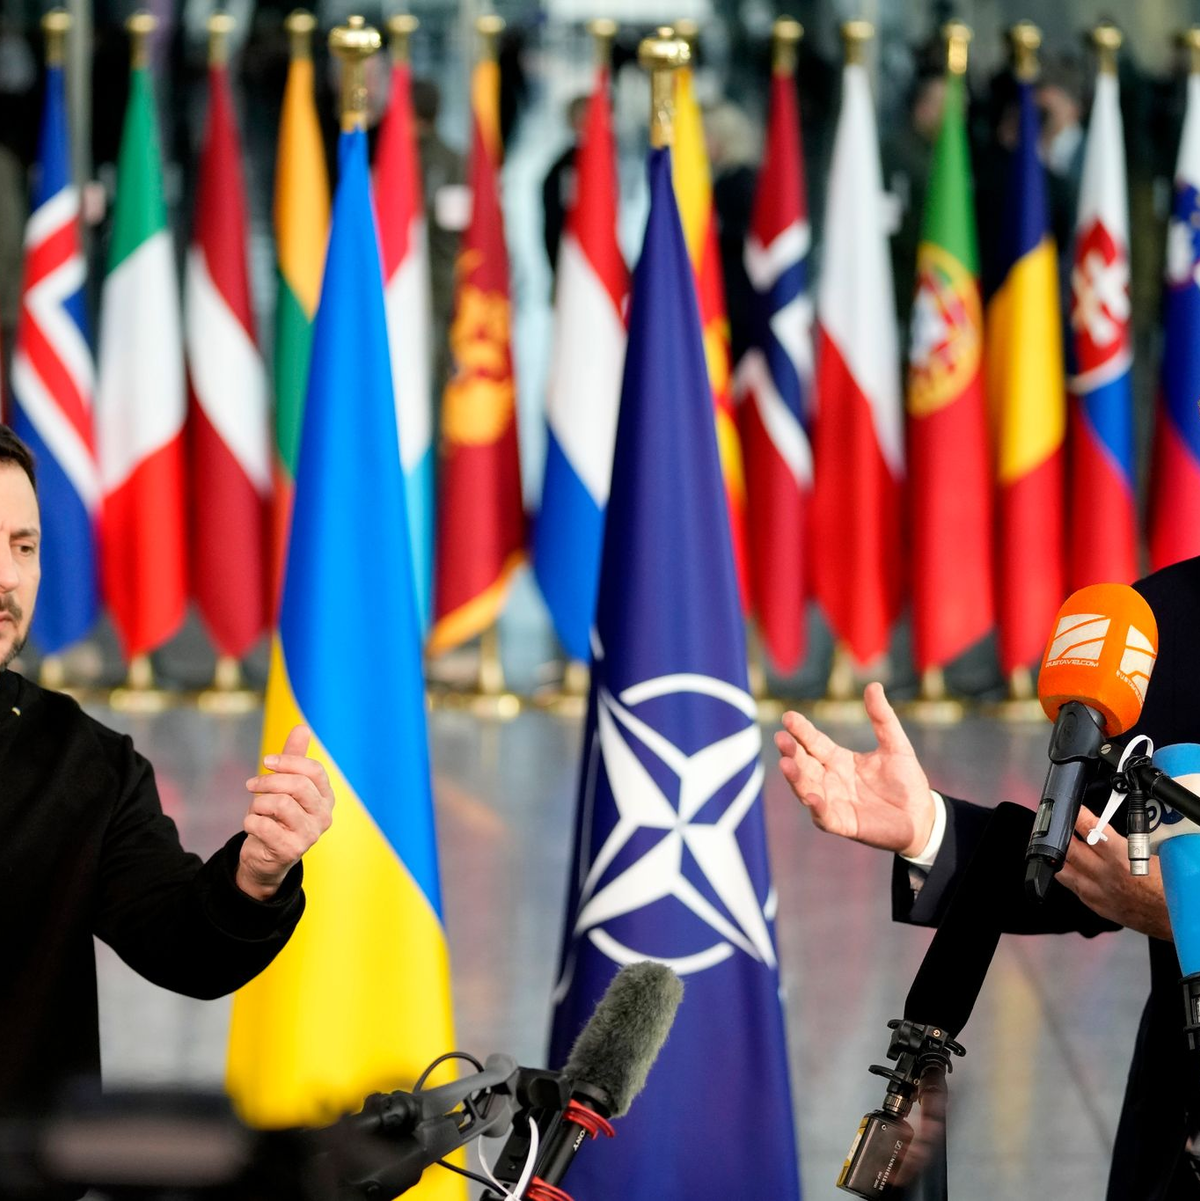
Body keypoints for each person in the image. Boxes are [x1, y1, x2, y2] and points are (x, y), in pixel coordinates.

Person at [774, 558, 1200, 1199]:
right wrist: (928, 828)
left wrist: (1185, 915)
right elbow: (1102, 866)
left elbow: (1158, 900)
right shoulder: (1154, 623)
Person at [0, 424, 335, 1126]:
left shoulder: (86, 761)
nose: (8, 576)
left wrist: (259, 871)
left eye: (23, 546)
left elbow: (186, 947)